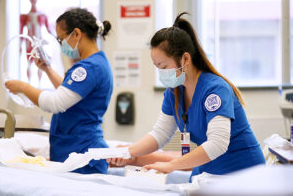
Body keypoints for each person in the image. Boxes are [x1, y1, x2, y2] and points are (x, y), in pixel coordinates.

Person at [108, 12, 265, 181]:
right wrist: (126, 152)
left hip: (243, 172)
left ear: (185, 59)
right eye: (157, 67)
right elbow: (160, 134)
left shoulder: (215, 90)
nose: (161, 73)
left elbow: (217, 143)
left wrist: (170, 165)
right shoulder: (174, 92)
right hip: (208, 170)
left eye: (163, 66)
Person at [5, 8, 113, 174]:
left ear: (77, 34)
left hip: (81, 153)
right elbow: (71, 94)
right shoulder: (97, 63)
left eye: (61, 39)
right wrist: (47, 69)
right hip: (74, 149)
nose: (61, 44)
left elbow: (56, 103)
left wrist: (23, 87)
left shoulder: (89, 68)